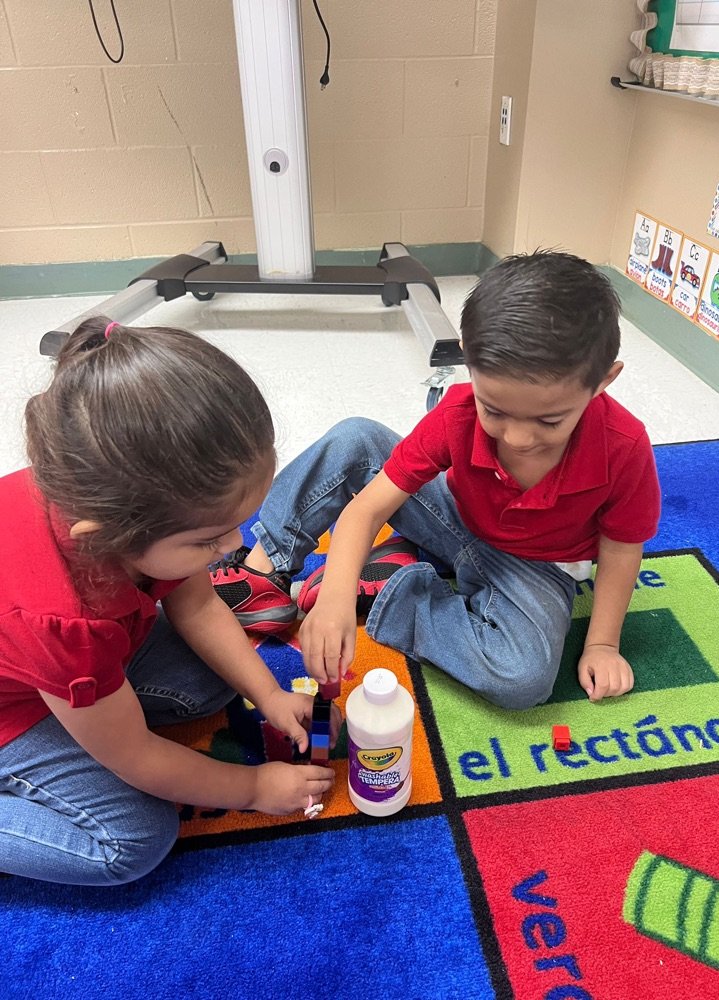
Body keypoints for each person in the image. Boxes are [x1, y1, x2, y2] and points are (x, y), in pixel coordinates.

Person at [212, 251, 661, 710]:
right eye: (495, 411)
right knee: (355, 439)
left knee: (522, 679)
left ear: (604, 381)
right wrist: (334, 602)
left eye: (549, 420)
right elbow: (367, 509)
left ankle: (395, 586)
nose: (519, 438)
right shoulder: (457, 414)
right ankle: (263, 570)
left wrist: (602, 644)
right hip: (453, 515)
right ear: (468, 364)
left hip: (537, 565)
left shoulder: (624, 446)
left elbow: (623, 548)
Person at [0, 318, 336, 887]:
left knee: (212, 682)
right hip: (18, 707)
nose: (236, 547)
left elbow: (200, 605)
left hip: (71, 659)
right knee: (132, 842)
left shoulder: (117, 486)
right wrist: (252, 788)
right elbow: (136, 758)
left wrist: (271, 696)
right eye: (209, 540)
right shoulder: (65, 622)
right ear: (107, 532)